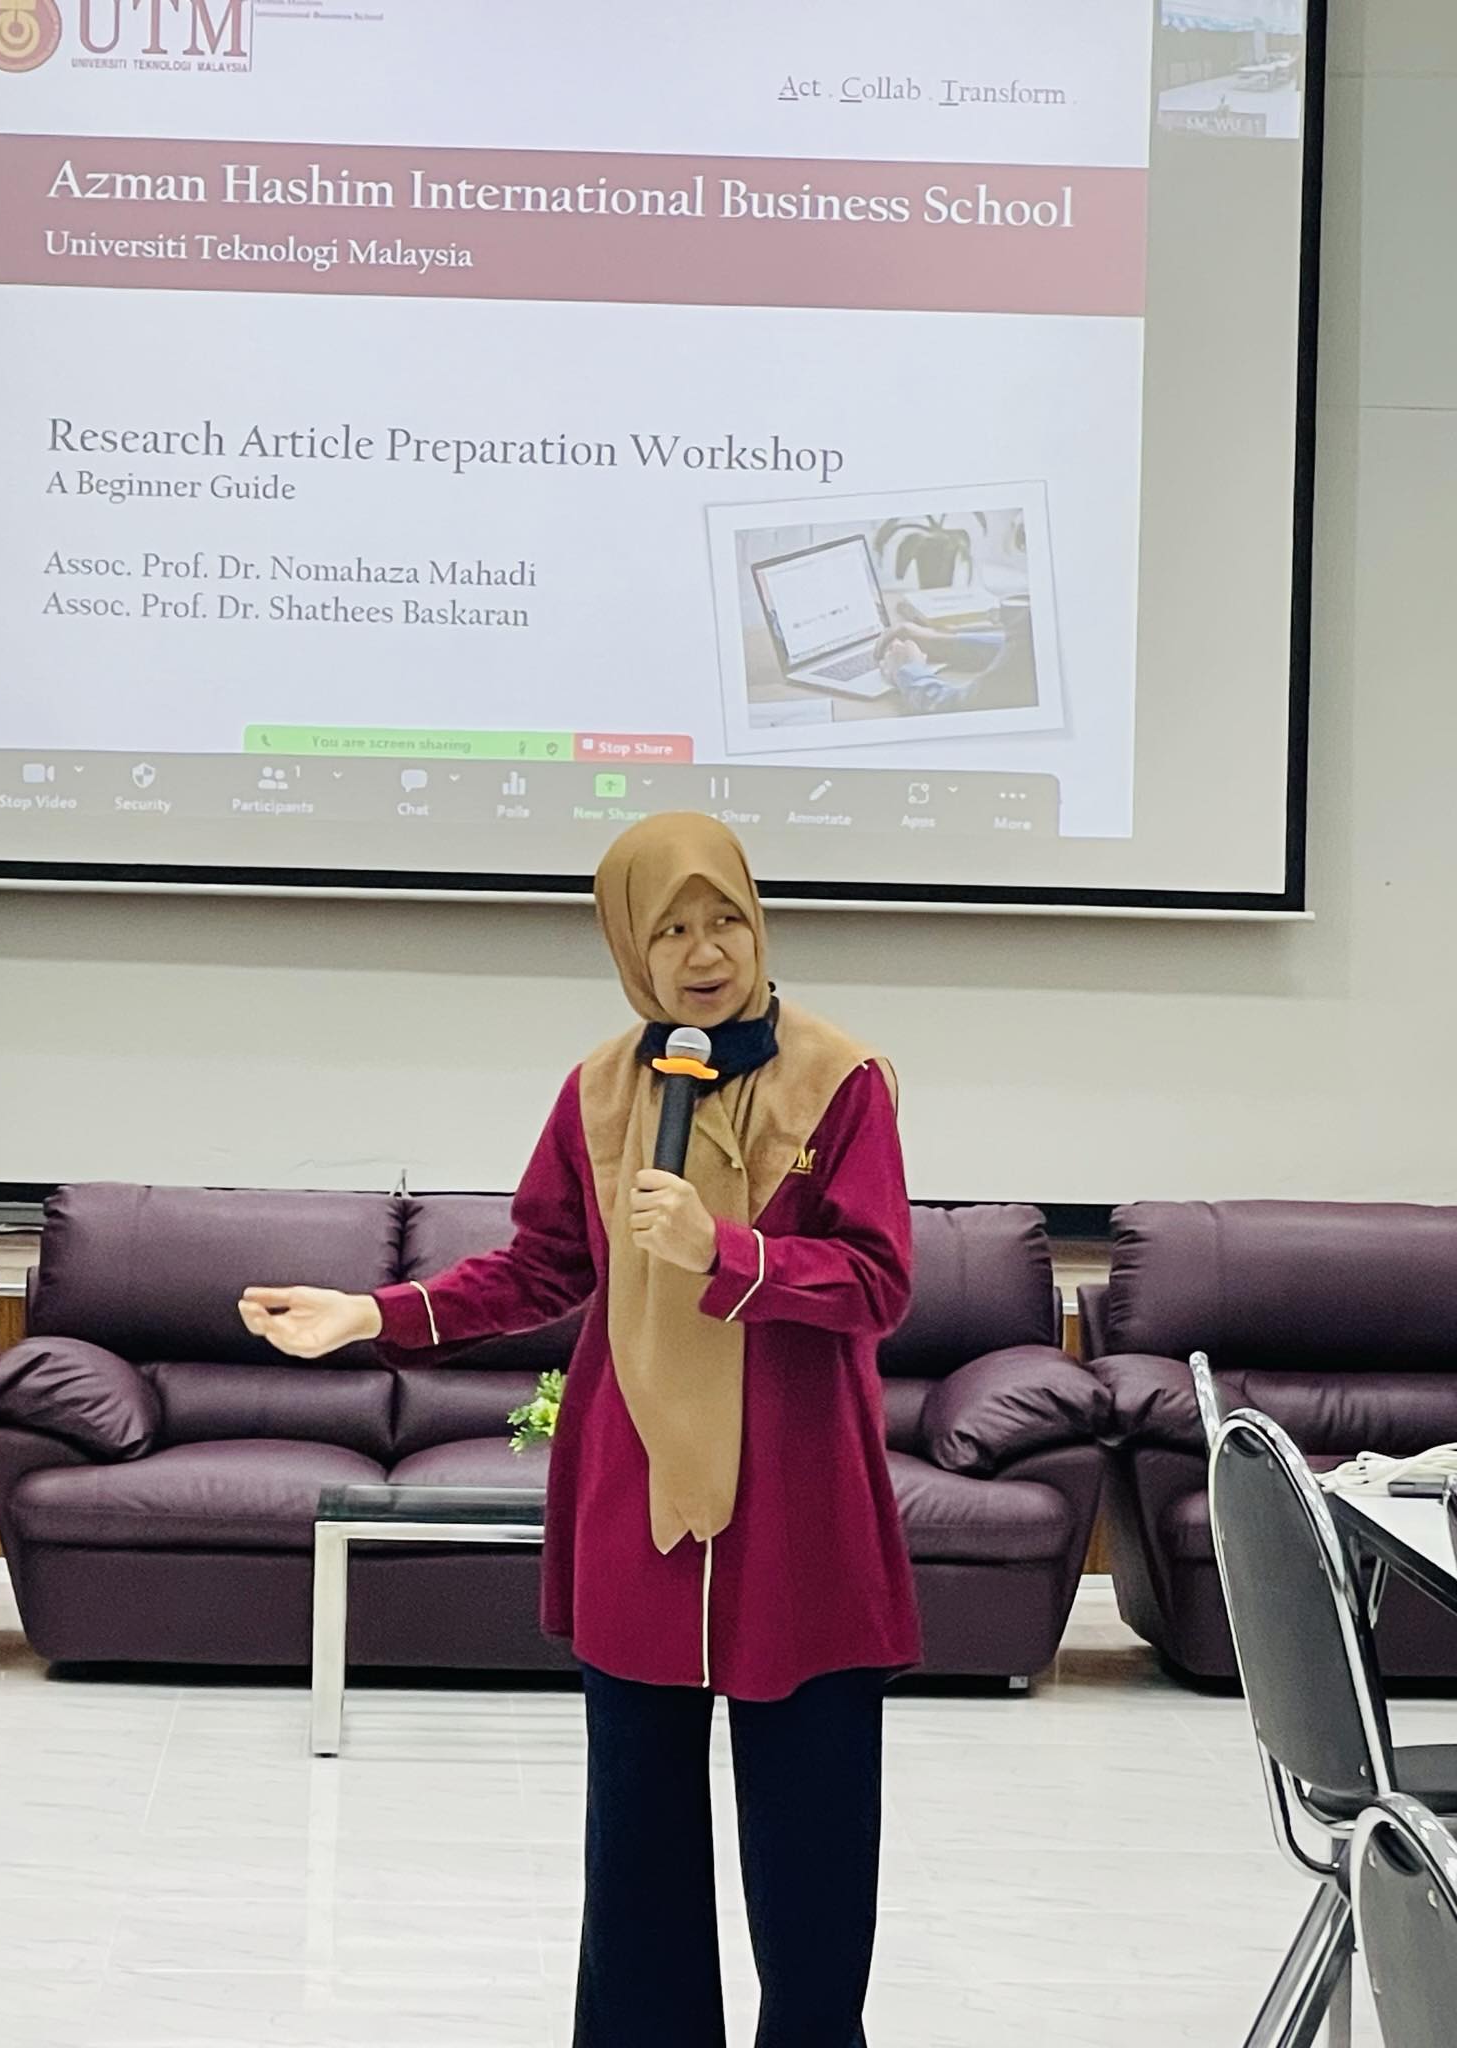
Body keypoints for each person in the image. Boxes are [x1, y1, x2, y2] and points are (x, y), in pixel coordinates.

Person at [237, 812, 922, 2048]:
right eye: (671, 928)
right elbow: (540, 1266)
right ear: (628, 947)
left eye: (725, 919)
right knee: (637, 1868)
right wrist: (372, 1313)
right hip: (635, 1502)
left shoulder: (843, 1081)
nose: (704, 952)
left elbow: (879, 1283)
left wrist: (729, 1250)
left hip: (799, 1512)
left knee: (814, 1863)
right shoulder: (601, 1089)